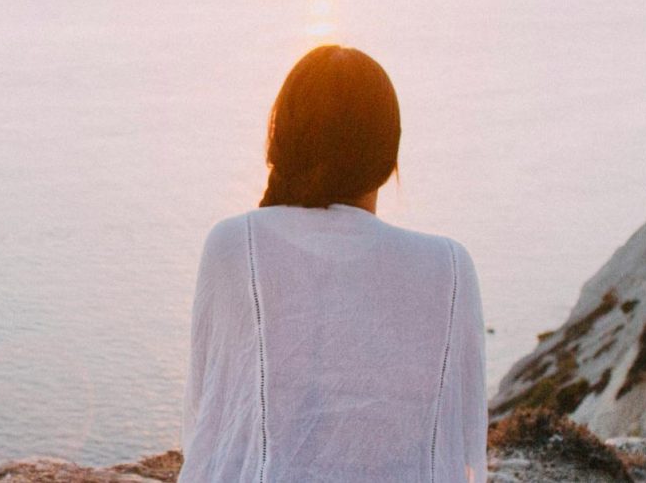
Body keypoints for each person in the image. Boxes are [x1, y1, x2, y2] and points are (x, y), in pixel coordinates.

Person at [178, 45, 485, 482]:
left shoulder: (233, 244)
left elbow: (208, 427)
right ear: (387, 158)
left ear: (280, 142)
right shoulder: (450, 268)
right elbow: (461, 449)